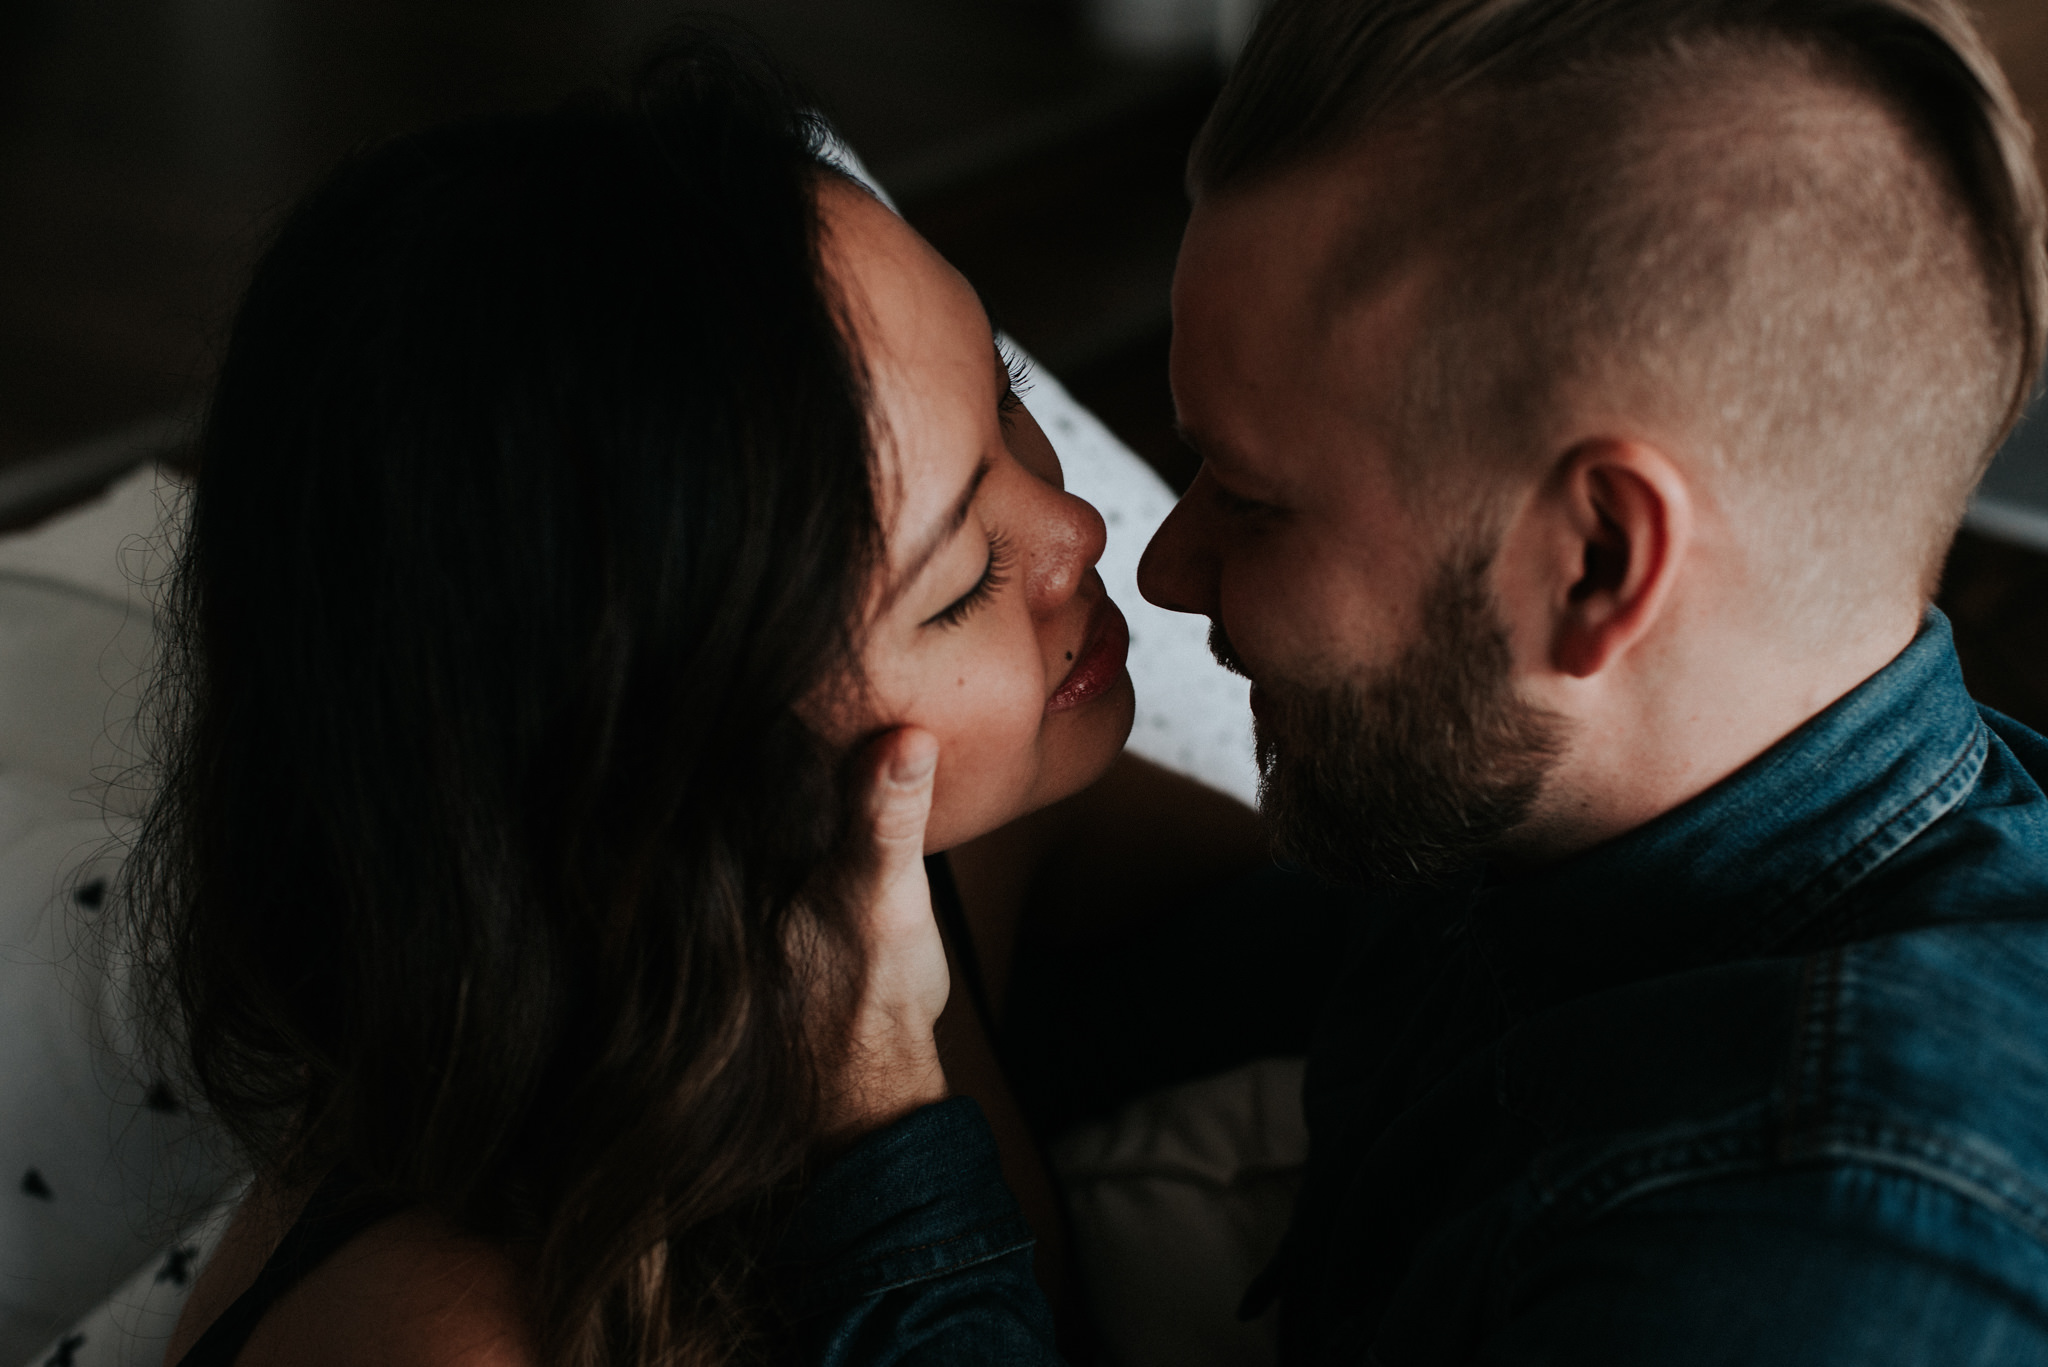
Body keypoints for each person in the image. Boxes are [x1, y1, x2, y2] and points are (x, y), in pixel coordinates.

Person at [805, 0, 2048, 1362]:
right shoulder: (1553, 807)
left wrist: (873, 1127)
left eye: (1259, 498)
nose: (1164, 566)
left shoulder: (1801, 1276)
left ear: (1594, 565)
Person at [122, 32, 1261, 1367]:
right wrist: (892, 1139)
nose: (1077, 525)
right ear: (675, 783)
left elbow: (1403, 950)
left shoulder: (957, 852)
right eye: (956, 584)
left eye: (1004, 405)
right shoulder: (458, 1337)